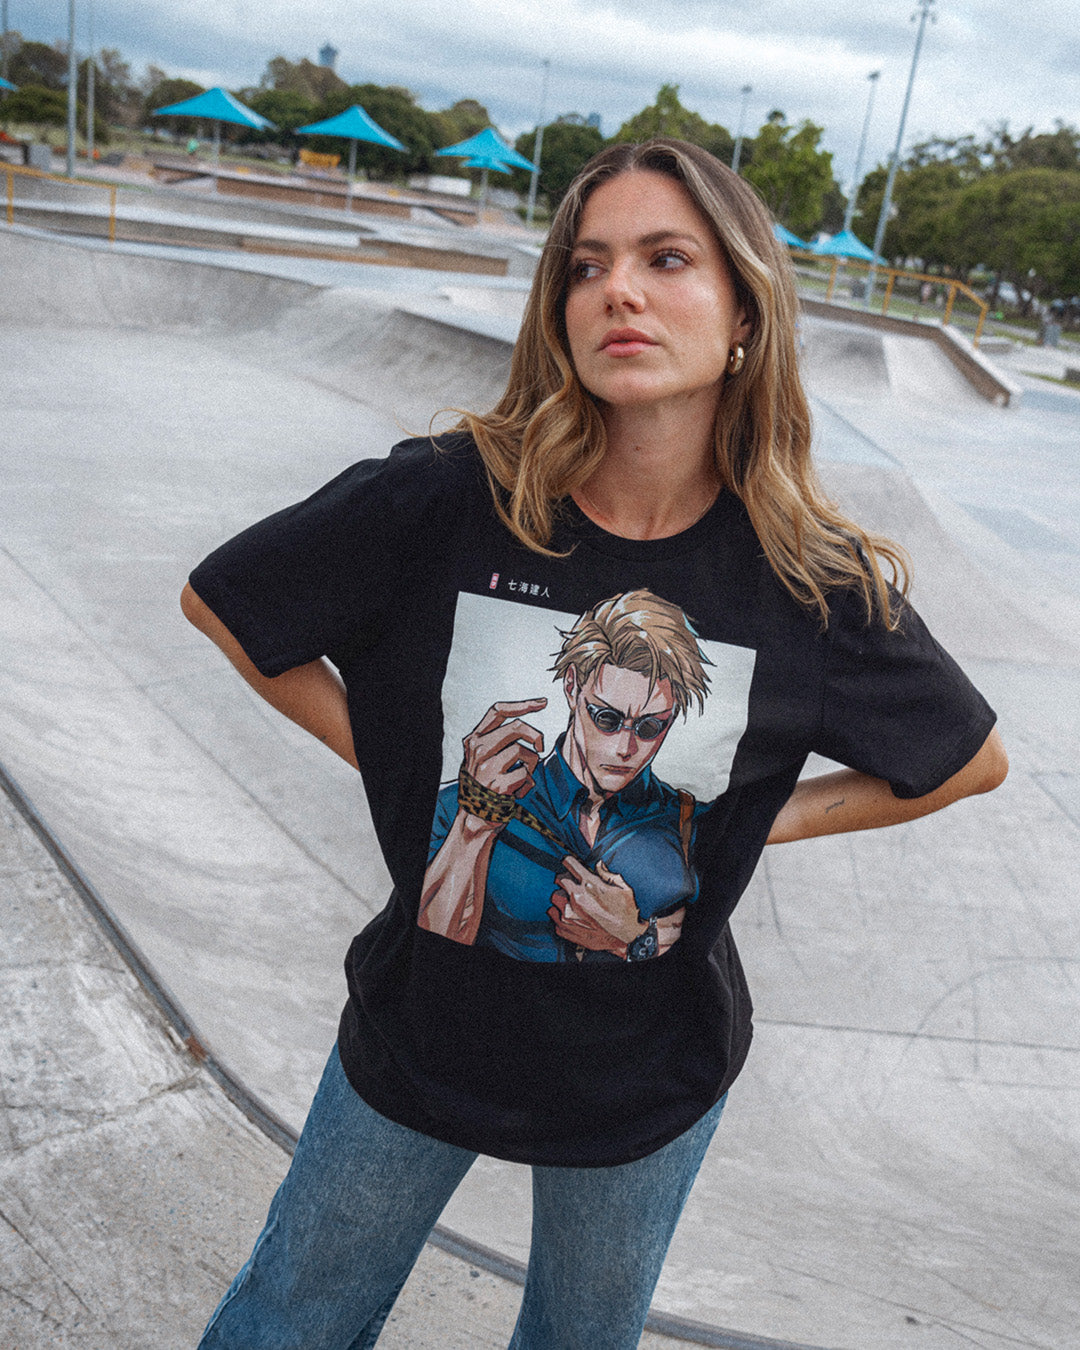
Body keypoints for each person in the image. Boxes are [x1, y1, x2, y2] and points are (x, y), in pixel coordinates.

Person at [183, 138, 1007, 1348]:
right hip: (420, 1041)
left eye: (667, 259)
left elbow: (966, 760)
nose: (618, 289)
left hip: (646, 1080)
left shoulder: (803, 579)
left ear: (744, 313)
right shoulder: (452, 497)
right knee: (287, 1325)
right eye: (587, 265)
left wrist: (750, 822)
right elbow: (227, 605)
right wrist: (416, 771)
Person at [420, 587, 710, 961]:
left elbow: (698, 951)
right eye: (607, 718)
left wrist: (631, 938)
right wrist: (475, 823)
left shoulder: (686, 822)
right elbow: (432, 950)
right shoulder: (474, 801)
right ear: (573, 687)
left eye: (649, 727)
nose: (625, 748)